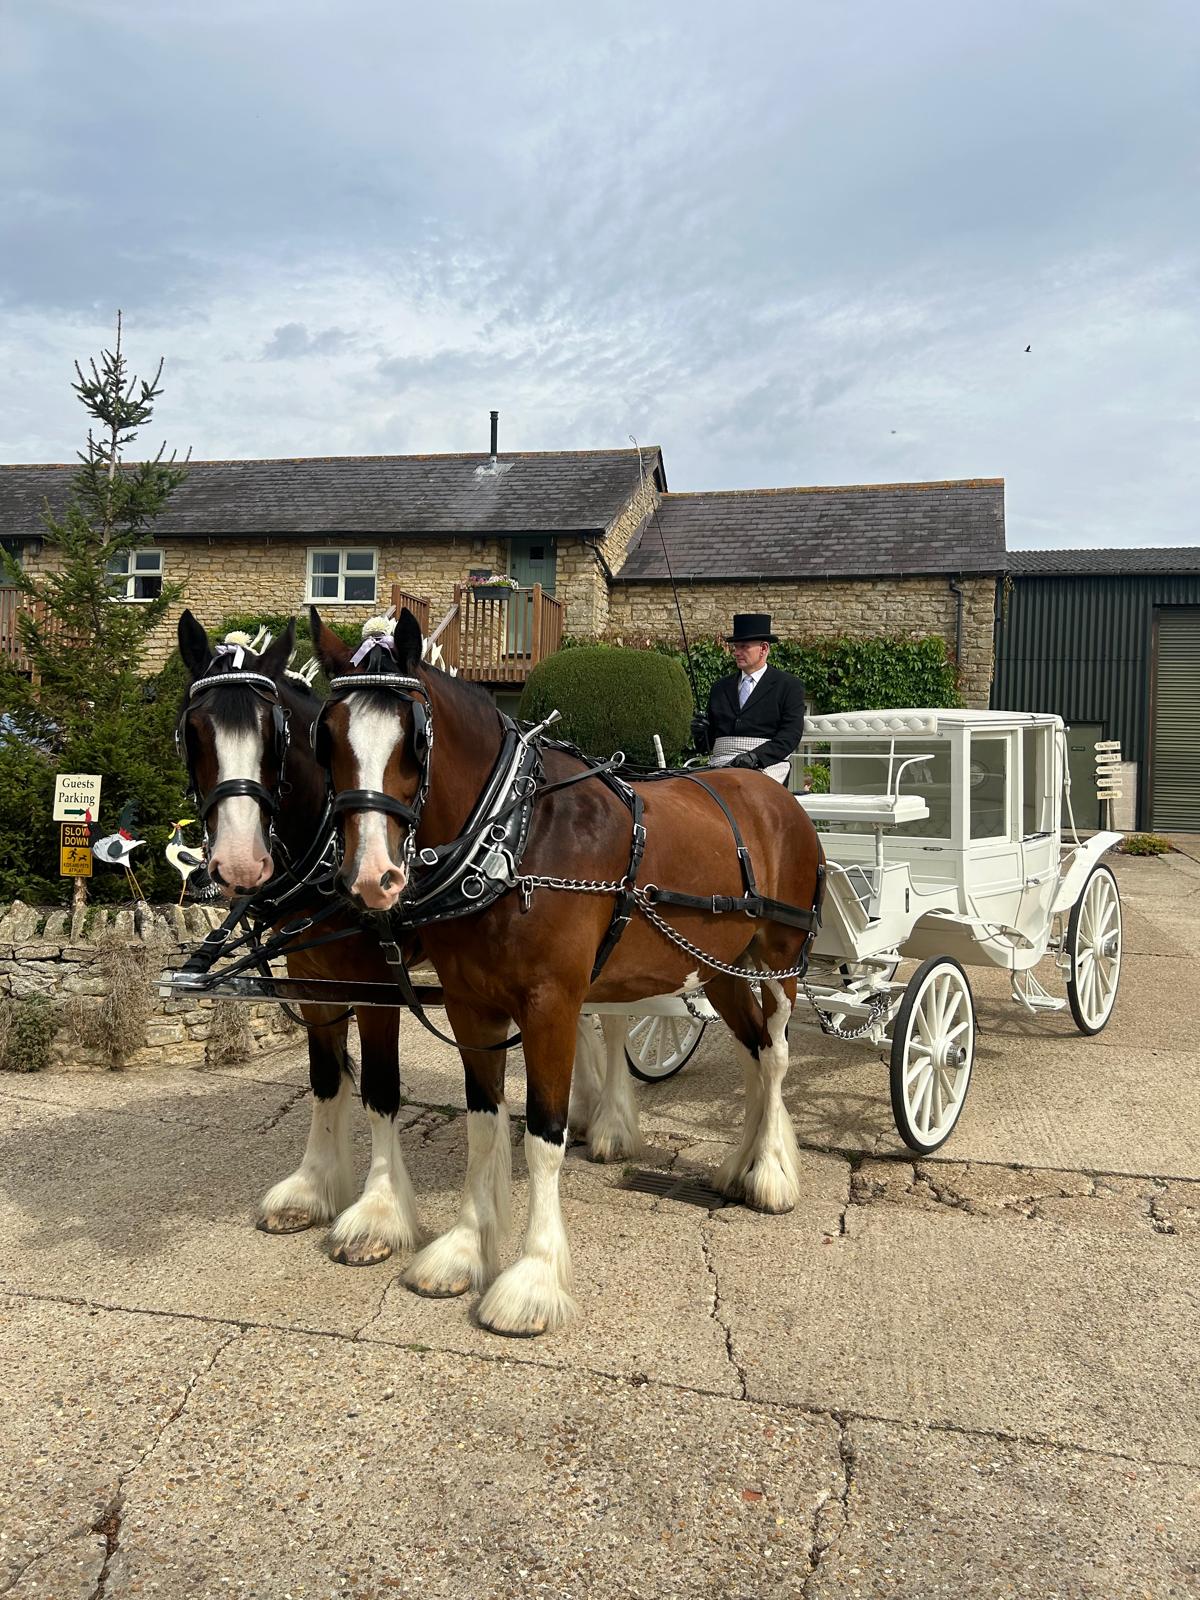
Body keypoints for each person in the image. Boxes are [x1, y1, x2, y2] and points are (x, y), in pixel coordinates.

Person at [690, 613, 806, 784]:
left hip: (767, 764)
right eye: (736, 647)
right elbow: (706, 746)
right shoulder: (720, 688)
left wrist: (755, 757)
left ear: (764, 648)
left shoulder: (788, 686)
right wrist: (700, 732)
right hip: (720, 763)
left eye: (744, 647)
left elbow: (790, 735)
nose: (737, 653)